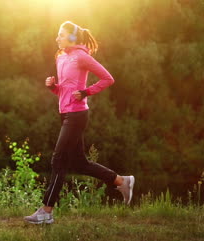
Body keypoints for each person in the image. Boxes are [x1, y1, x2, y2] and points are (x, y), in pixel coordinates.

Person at [24, 21, 135, 225]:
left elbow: (108, 78)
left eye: (61, 35)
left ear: (72, 38)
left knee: (58, 160)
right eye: (57, 35)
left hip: (77, 115)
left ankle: (46, 211)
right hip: (65, 114)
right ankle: (121, 181)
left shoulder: (82, 56)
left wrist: (86, 92)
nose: (57, 38)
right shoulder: (60, 57)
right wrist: (53, 87)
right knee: (79, 163)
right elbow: (65, 91)